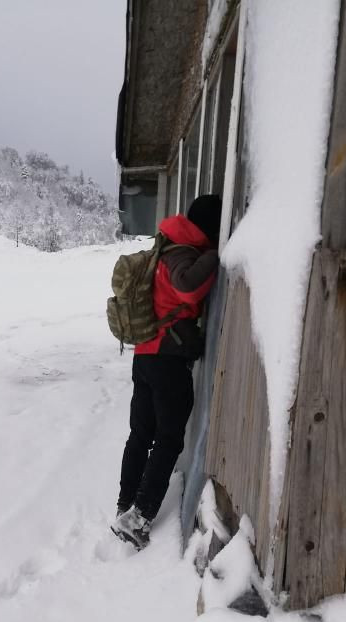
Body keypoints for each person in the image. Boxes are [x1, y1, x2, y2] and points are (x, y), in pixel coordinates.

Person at [111, 194, 222, 550]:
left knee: (141, 433)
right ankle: (139, 517)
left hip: (145, 354)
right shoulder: (184, 252)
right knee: (169, 438)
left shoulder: (167, 245)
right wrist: (214, 256)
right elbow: (187, 287)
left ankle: (126, 503)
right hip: (166, 359)